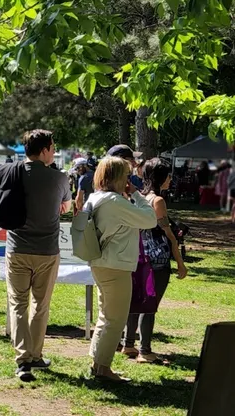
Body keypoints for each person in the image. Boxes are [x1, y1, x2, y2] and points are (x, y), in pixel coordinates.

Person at [3, 130, 72, 382]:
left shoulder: (13, 172)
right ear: (44, 150)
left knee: (18, 304)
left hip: (17, 248)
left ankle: (23, 359)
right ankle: (34, 354)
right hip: (46, 251)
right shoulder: (59, 178)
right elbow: (64, 208)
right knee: (40, 305)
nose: (54, 152)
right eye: (53, 147)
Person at [85, 157, 157, 383]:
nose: (129, 179)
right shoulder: (115, 201)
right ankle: (103, 368)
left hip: (100, 262)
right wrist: (136, 194)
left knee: (105, 316)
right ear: (118, 177)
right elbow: (150, 219)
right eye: (126, 175)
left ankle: (98, 364)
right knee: (115, 319)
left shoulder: (95, 197)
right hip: (115, 265)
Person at [122, 159, 188, 363]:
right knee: (149, 305)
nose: (170, 179)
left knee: (135, 302)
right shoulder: (157, 201)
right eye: (168, 175)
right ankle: (145, 351)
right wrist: (180, 262)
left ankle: (128, 344)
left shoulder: (136, 197)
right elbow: (169, 236)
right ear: (161, 178)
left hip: (136, 255)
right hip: (156, 260)